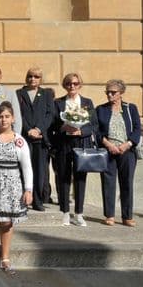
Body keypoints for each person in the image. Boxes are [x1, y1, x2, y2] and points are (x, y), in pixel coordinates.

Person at [0, 102, 33, 275]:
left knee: (7, 222)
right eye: (0, 116)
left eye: (7, 116)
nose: (3, 120)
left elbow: (26, 166)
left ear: (13, 118)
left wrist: (28, 189)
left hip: (12, 186)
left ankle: (5, 257)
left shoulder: (20, 141)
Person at [50, 72, 97, 227]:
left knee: (80, 178)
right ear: (65, 85)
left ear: (80, 85)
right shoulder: (58, 103)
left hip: (81, 144)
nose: (72, 86)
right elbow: (53, 124)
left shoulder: (87, 102)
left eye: (75, 83)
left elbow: (94, 125)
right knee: (63, 178)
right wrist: (64, 127)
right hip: (64, 144)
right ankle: (64, 212)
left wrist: (81, 131)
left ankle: (79, 213)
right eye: (69, 83)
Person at [95, 79, 142, 227]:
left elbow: (137, 129)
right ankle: (109, 215)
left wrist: (127, 145)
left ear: (121, 93)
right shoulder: (100, 109)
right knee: (108, 183)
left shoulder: (130, 109)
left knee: (126, 182)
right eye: (107, 92)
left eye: (113, 92)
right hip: (108, 150)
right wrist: (108, 145)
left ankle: (127, 216)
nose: (109, 94)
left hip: (127, 151)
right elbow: (96, 131)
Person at [15, 67, 55, 211]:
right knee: (23, 168)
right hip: (25, 137)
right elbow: (18, 114)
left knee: (39, 171)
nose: (33, 79)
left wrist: (38, 129)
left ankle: (37, 200)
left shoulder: (46, 94)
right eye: (30, 76)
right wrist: (28, 130)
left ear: (40, 79)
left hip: (40, 138)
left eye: (36, 77)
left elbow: (50, 114)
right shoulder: (19, 93)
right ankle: (23, 199)